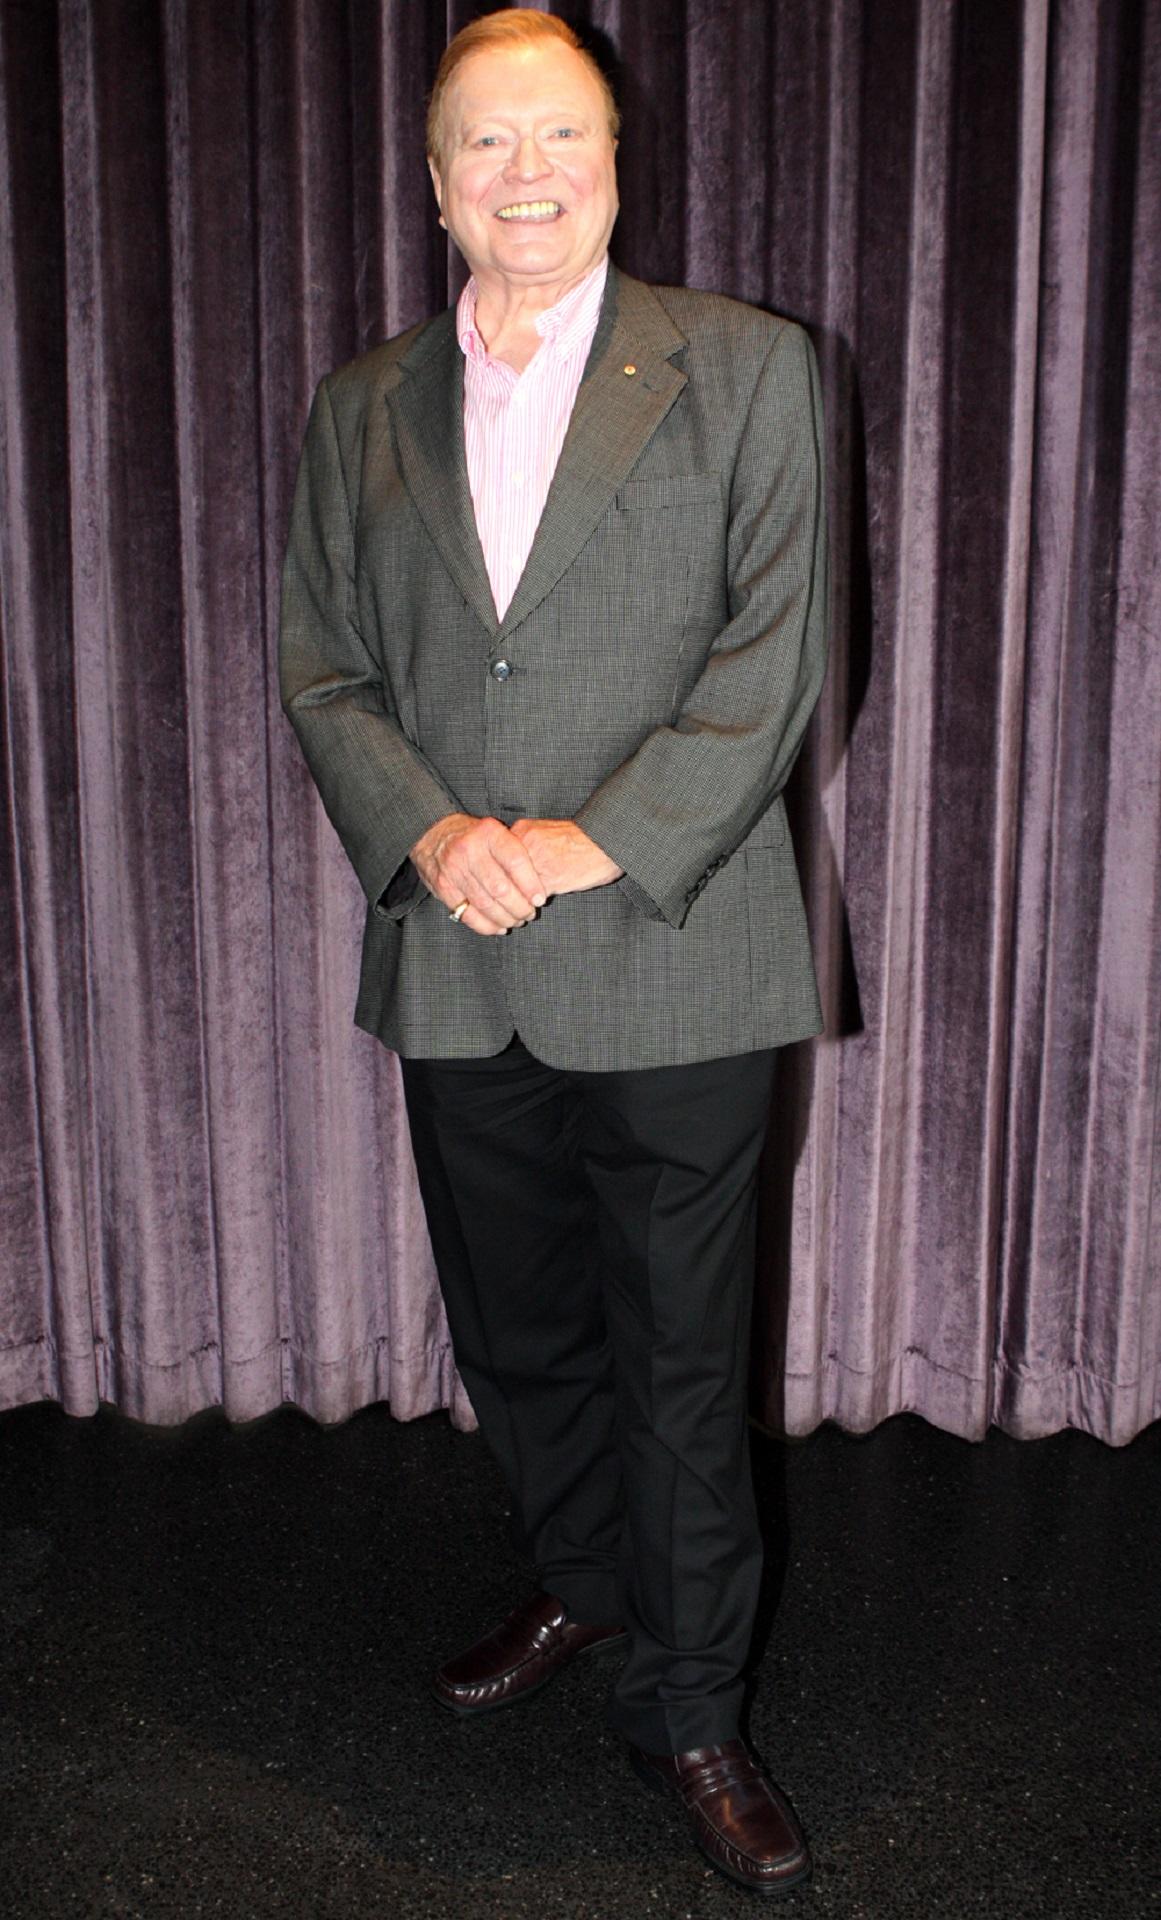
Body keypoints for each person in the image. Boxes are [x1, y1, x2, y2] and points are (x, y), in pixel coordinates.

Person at [279, 10, 827, 1897]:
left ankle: (691, 1707)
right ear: (435, 180)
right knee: (517, 1337)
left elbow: (772, 667)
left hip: (671, 942)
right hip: (458, 954)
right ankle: (588, 1587)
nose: (525, 170)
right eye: (483, 142)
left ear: (615, 159)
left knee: (682, 1356)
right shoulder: (360, 405)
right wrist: (435, 835)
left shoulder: (749, 370)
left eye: (559, 136)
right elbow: (321, 667)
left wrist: (578, 843)